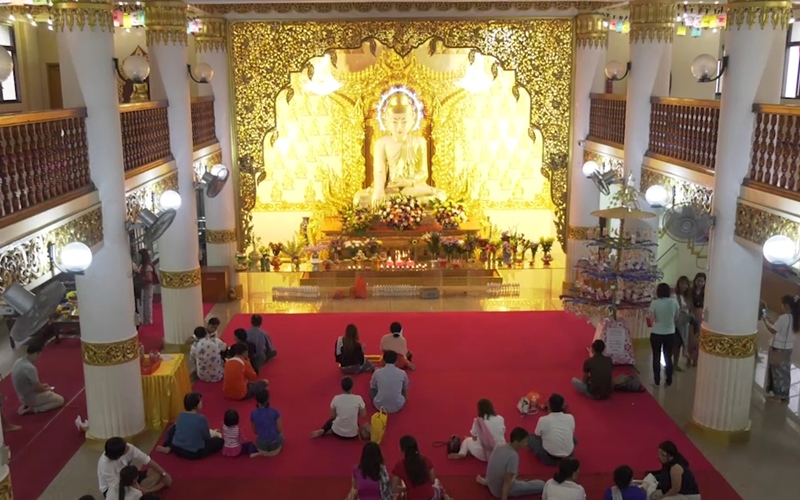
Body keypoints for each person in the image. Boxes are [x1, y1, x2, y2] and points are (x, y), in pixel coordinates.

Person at [478, 427, 545, 498]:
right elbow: (507, 481)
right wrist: (504, 498)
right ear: (516, 442)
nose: (526, 444)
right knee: (541, 486)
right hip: (499, 491)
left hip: (490, 484)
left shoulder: (499, 446)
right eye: (524, 442)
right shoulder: (513, 456)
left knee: (514, 473)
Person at [157, 392, 224, 460]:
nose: (202, 402)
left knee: (174, 428)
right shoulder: (201, 419)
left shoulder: (180, 414)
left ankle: (169, 447)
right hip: (192, 453)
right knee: (220, 441)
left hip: (176, 448)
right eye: (200, 401)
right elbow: (206, 437)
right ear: (195, 405)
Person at [98, 437, 171, 497]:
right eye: (126, 447)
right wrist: (137, 489)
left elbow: (146, 459)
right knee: (136, 494)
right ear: (119, 455)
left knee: (156, 472)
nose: (128, 447)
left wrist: (164, 473)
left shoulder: (127, 447)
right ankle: (144, 492)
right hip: (116, 487)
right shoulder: (105, 465)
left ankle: (144, 491)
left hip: (130, 476)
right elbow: (115, 486)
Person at [762, 294, 799, 402]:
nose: (781, 306)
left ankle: (778, 395)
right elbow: (782, 328)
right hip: (788, 348)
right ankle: (785, 394)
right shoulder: (794, 317)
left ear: (786, 305)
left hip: (779, 348)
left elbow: (773, 330)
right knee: (785, 371)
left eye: (782, 304)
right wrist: (773, 322)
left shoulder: (784, 317)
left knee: (777, 372)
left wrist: (765, 321)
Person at [390, 435, 451, 500]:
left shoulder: (399, 465)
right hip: (431, 497)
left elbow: (393, 488)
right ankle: (446, 497)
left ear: (401, 449)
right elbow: (433, 481)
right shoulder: (425, 460)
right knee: (438, 484)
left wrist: (406, 489)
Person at [12, 341, 65, 415]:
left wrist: (42, 386)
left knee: (45, 389)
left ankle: (28, 404)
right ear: (36, 354)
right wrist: (47, 389)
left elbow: (30, 384)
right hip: (30, 397)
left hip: (22, 395)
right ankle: (34, 409)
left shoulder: (18, 362)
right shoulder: (30, 368)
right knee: (60, 400)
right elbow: (37, 387)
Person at [528, 394, 576, 466]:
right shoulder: (570, 417)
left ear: (549, 405)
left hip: (549, 458)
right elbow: (571, 431)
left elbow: (537, 435)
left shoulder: (543, 420)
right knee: (573, 438)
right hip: (568, 456)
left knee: (530, 438)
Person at [648, 283, 680, 386]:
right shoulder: (674, 302)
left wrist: (657, 320)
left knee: (656, 356)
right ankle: (669, 379)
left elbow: (651, 320)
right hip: (670, 333)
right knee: (668, 357)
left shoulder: (654, 303)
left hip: (656, 333)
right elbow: (677, 318)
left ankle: (656, 380)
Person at [251, 389, 284, 457]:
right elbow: (279, 429)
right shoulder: (275, 412)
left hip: (261, 444)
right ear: (268, 399)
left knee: (259, 441)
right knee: (281, 436)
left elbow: (255, 431)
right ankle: (271, 453)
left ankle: (263, 452)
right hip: (274, 443)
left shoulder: (253, 414)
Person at [673, 276, 693, 372]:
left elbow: (690, 309)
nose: (683, 286)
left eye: (685, 284)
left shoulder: (688, 297)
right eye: (682, 283)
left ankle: (681, 361)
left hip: (686, 322)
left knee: (683, 342)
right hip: (676, 323)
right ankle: (673, 363)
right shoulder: (674, 296)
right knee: (676, 344)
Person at [687, 273, 706, 367]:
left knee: (699, 338)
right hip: (691, 315)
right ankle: (688, 358)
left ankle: (695, 359)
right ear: (695, 281)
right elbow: (688, 303)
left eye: (702, 281)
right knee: (690, 338)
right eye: (698, 281)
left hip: (701, 315)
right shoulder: (691, 291)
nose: (700, 283)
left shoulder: (706, 292)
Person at [137, 249, 157, 325]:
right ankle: (144, 319)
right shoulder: (143, 265)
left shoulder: (148, 265)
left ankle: (148, 320)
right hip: (143, 286)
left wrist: (141, 280)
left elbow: (149, 278)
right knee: (143, 303)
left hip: (147, 286)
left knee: (147, 303)